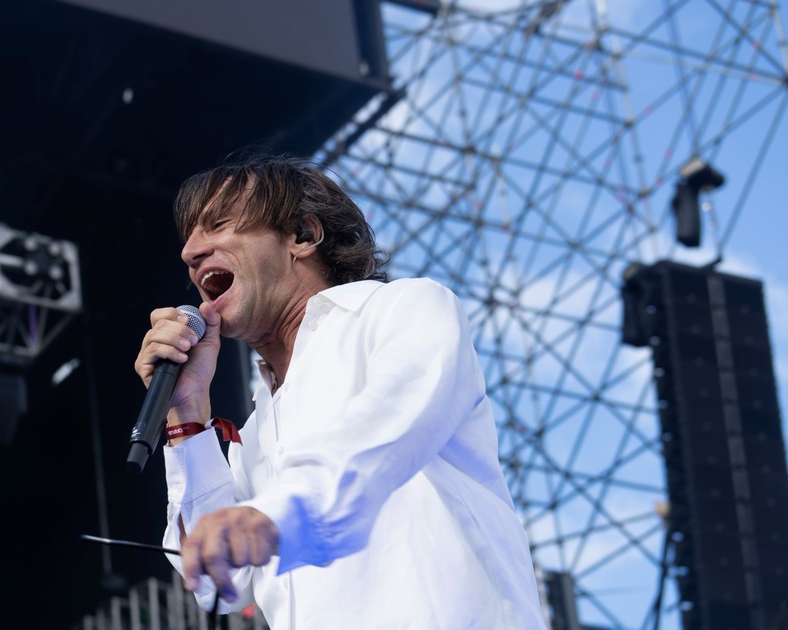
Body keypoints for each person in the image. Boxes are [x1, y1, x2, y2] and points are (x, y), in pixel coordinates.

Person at [134, 154, 545, 628]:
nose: (190, 253)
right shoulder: (257, 433)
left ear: (302, 235)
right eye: (188, 239)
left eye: (218, 225)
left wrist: (275, 514)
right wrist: (186, 414)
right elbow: (216, 582)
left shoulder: (405, 309)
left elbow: (387, 427)